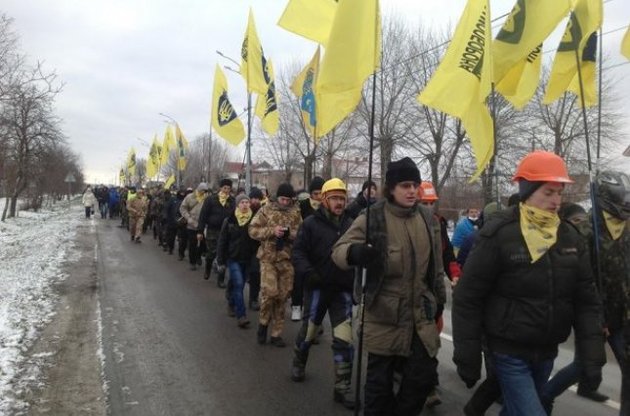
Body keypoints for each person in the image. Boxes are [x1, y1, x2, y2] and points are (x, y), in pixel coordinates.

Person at [452, 151, 606, 416]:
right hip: (508, 351)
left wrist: (592, 356)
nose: (556, 201)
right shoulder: (499, 234)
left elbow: (586, 301)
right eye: (548, 192)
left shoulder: (570, 237)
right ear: (527, 190)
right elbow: (468, 297)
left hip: (546, 351)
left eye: (559, 192)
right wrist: (468, 354)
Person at [332, 157, 445, 415]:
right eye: (405, 185)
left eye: (415, 185)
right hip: (383, 316)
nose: (412, 191)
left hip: (419, 316)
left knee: (422, 379)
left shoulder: (428, 219)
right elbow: (338, 251)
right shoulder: (374, 217)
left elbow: (435, 265)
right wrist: (355, 253)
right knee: (378, 391)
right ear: (391, 188)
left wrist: (439, 299)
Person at [291, 178, 357, 409]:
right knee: (309, 333)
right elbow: (297, 252)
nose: (339, 202)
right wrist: (308, 273)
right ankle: (299, 361)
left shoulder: (352, 224)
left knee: (345, 340)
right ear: (325, 200)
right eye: (335, 198)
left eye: (342, 198)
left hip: (342, 291)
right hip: (318, 288)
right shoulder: (310, 224)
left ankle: (342, 387)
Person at [540, 202, 609, 413]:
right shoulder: (578, 237)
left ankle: (587, 386)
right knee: (588, 359)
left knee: (592, 358)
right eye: (578, 220)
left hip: (603, 304)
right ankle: (546, 395)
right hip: (587, 305)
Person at [417, 181, 461, 409]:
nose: (428, 207)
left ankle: (427, 384)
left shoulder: (439, 224)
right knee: (421, 342)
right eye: (423, 202)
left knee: (432, 340)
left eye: (431, 203)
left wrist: (455, 275)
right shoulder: (408, 223)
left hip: (434, 293)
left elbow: (448, 255)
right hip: (414, 294)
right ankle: (428, 385)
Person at [590, 170, 630, 413]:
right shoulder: (587, 230)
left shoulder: (625, 228)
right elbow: (583, 281)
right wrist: (598, 316)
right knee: (583, 366)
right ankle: (546, 396)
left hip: (623, 312)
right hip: (597, 314)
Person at [249, 183, 302, 347]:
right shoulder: (266, 209)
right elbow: (252, 230)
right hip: (268, 258)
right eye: (282, 199)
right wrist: (272, 231)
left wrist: (289, 235)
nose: (285, 202)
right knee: (270, 293)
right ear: (277, 197)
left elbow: (302, 234)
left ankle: (276, 333)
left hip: (286, 259)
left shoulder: (296, 213)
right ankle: (263, 324)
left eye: (288, 199)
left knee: (283, 296)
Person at [217, 194, 257, 328]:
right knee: (239, 284)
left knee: (237, 284)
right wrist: (221, 261)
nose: (245, 204)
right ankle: (242, 316)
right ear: (237, 205)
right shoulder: (229, 221)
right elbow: (222, 241)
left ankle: (231, 303)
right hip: (233, 258)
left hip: (248, 258)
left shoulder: (254, 220)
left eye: (247, 202)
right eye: (242, 202)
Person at [291, 176, 326, 322]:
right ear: (311, 193)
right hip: (303, 247)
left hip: (319, 251)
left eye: (321, 193)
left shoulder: (326, 206)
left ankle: (313, 317)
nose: (318, 197)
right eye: (316, 193)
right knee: (298, 280)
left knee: (315, 285)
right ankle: (296, 306)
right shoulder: (302, 206)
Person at [197, 178, 235, 286]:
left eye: (228, 188)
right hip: (213, 230)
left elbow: (235, 215)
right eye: (225, 188)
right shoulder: (211, 199)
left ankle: (221, 280)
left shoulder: (232, 201)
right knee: (211, 253)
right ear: (220, 188)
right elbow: (203, 215)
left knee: (223, 255)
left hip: (226, 231)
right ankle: (208, 268)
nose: (226, 190)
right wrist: (200, 231)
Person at [180, 183, 208, 270]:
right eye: (202, 190)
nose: (204, 192)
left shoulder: (207, 198)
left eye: (205, 191)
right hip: (191, 224)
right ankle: (192, 262)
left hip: (203, 225)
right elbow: (183, 208)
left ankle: (198, 256)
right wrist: (188, 218)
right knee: (193, 243)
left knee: (203, 243)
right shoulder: (190, 197)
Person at [247, 187, 265, 311]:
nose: (255, 201)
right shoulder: (242, 209)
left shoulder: (263, 212)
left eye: (258, 199)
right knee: (238, 276)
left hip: (256, 248)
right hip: (241, 248)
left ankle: (253, 298)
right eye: (253, 198)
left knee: (255, 274)